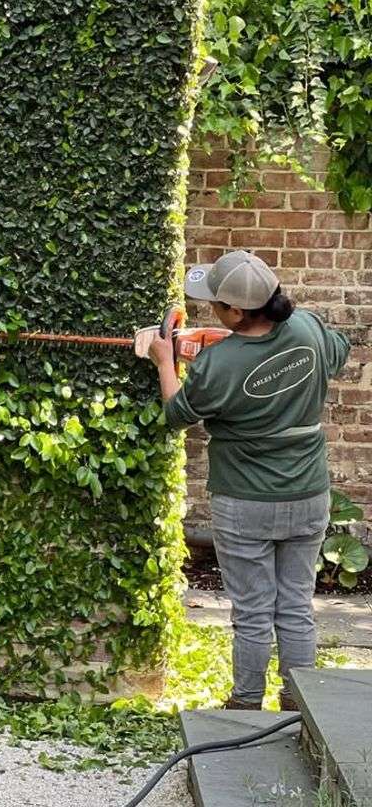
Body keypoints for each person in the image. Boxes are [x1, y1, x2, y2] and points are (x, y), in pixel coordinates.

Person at [148, 250, 351, 711]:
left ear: (236, 311)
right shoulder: (309, 328)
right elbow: (337, 352)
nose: (211, 310)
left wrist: (165, 360)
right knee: (296, 606)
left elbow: (176, 415)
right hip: (308, 493)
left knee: (255, 611)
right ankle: (303, 708)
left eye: (216, 304)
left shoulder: (217, 365)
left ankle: (245, 705)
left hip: (245, 501)